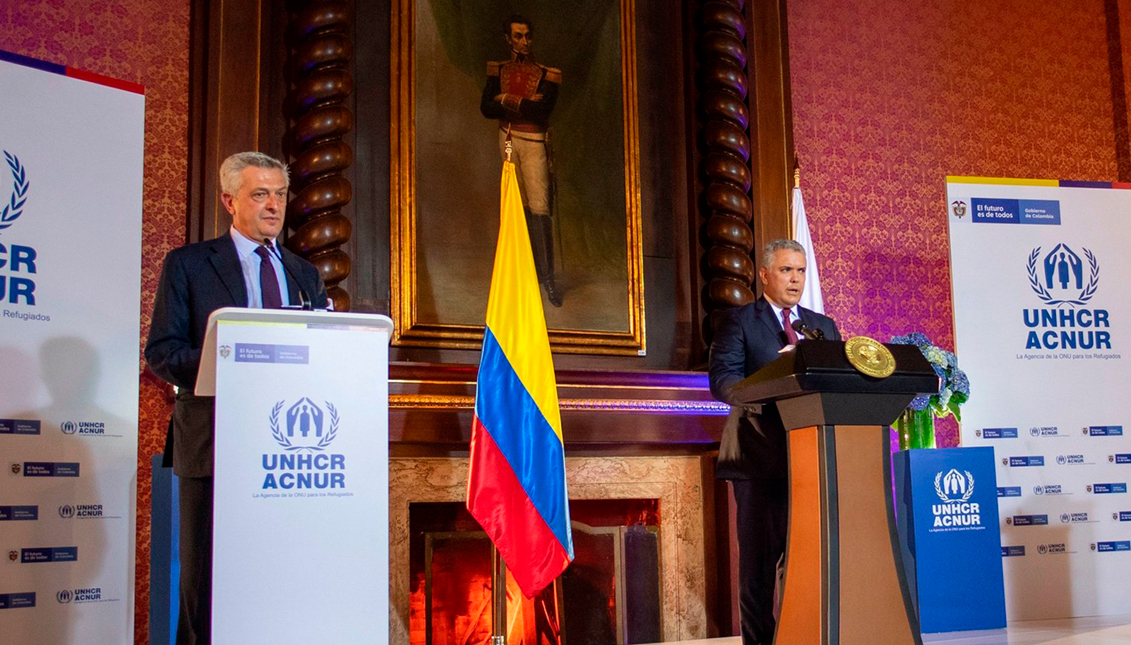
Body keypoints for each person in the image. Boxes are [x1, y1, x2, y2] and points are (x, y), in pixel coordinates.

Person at [145, 152, 329, 644]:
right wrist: (233, 358)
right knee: (206, 581)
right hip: (212, 441)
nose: (273, 205)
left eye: (280, 194)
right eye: (259, 194)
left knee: (276, 576)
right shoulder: (189, 264)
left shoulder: (303, 275)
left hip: (290, 452)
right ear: (230, 201)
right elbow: (162, 352)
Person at [708, 239, 840, 645]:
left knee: (808, 560)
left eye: (800, 271)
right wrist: (775, 380)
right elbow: (723, 381)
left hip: (813, 456)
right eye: (786, 270)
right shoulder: (740, 321)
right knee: (760, 567)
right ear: (764, 274)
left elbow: (836, 380)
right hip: (759, 457)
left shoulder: (822, 325)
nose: (795, 278)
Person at [480, 14, 563, 306]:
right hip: (507, 139)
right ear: (508, 39)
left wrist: (505, 99)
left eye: (527, 36)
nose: (524, 42)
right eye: (518, 36)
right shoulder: (497, 70)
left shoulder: (547, 73)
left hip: (534, 142)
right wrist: (518, 102)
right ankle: (519, 276)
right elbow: (486, 108)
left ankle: (548, 281)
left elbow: (542, 113)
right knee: (514, 206)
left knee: (540, 208)